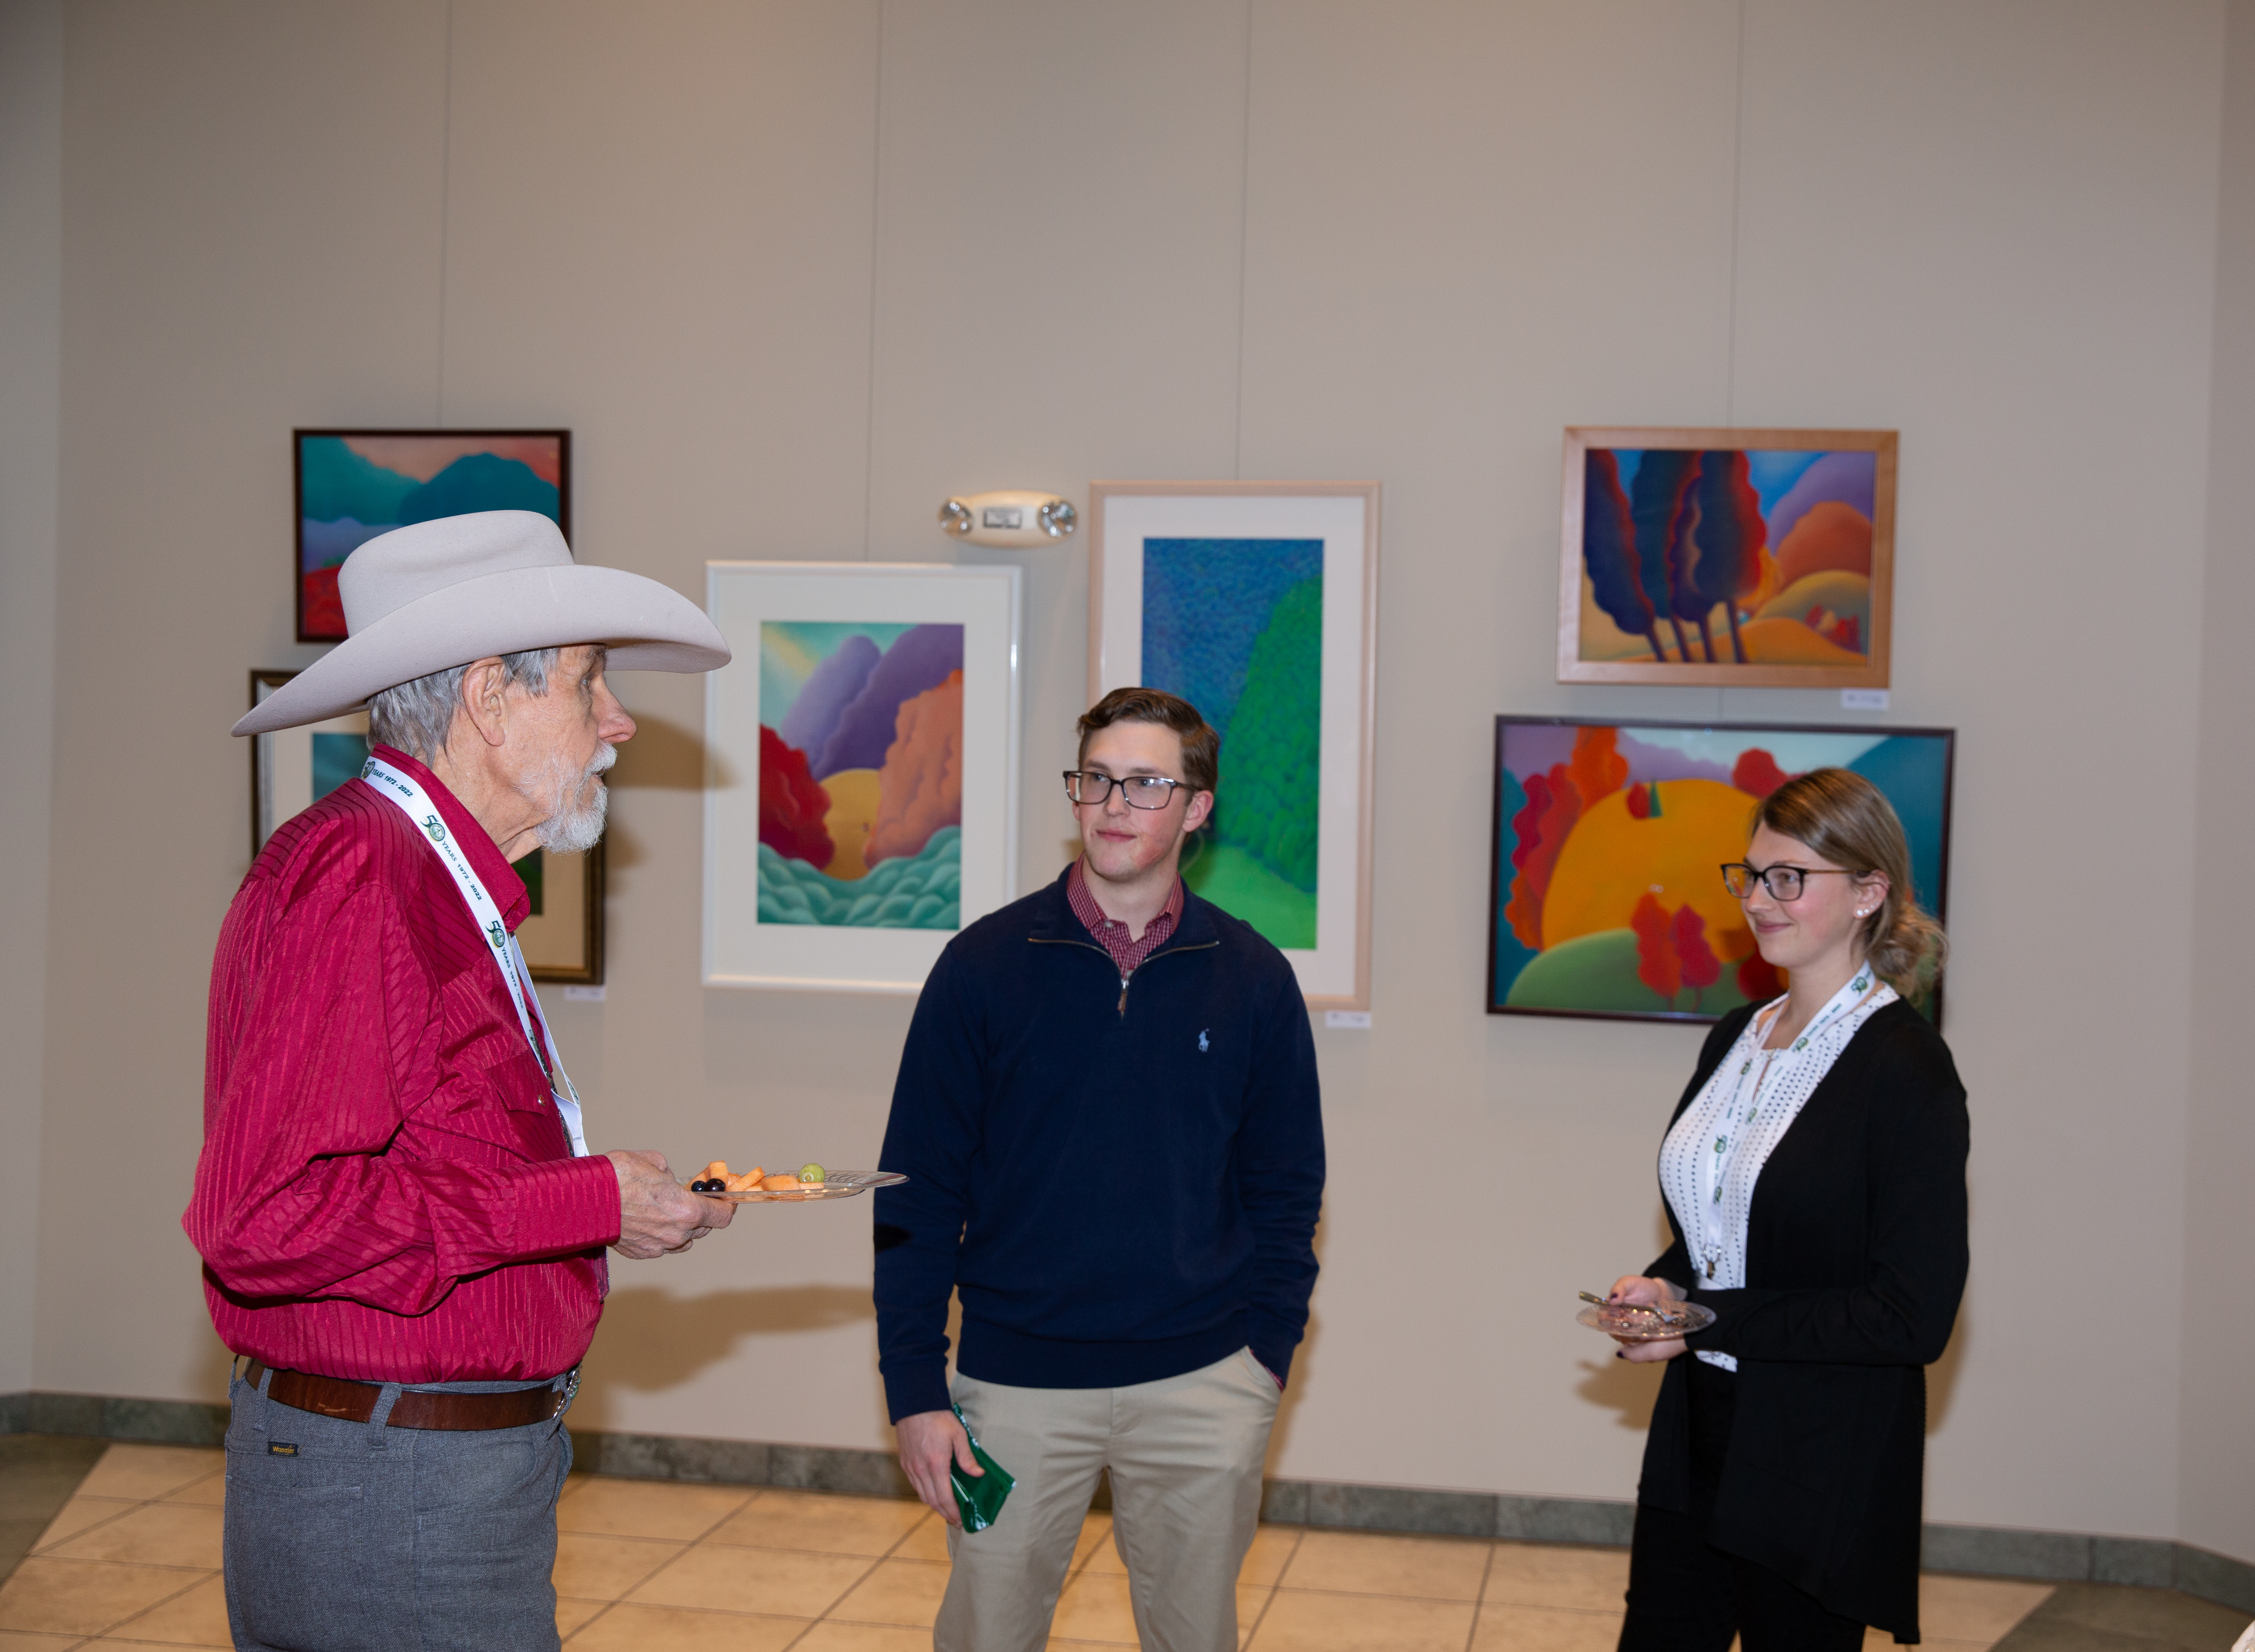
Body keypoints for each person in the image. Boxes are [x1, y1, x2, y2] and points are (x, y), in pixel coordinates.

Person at [185, 511, 738, 1652]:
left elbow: (424, 1161)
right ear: (490, 699)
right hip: (392, 1492)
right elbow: (265, 1220)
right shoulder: (361, 878)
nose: (618, 723)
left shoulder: (418, 878)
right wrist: (581, 1201)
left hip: (431, 1474)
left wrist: (600, 1201)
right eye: (591, 685)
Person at [873, 687, 1325, 1652]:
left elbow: (1287, 1192)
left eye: (1147, 783)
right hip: (1013, 1388)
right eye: (1096, 779)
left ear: (1197, 807)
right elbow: (915, 1189)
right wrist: (914, 1386)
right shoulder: (982, 967)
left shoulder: (1252, 980)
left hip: (1203, 1383)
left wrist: (1262, 1362)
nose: (1115, 804)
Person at [1603, 767, 1968, 1650]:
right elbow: (1720, 1235)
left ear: (1867, 893)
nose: (1759, 901)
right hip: (1697, 1433)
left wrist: (1703, 1318)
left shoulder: (1906, 1070)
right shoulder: (1735, 1033)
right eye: (1751, 875)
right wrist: (1661, 1292)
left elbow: (1908, 1317)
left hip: (1816, 1455)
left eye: (1789, 879)